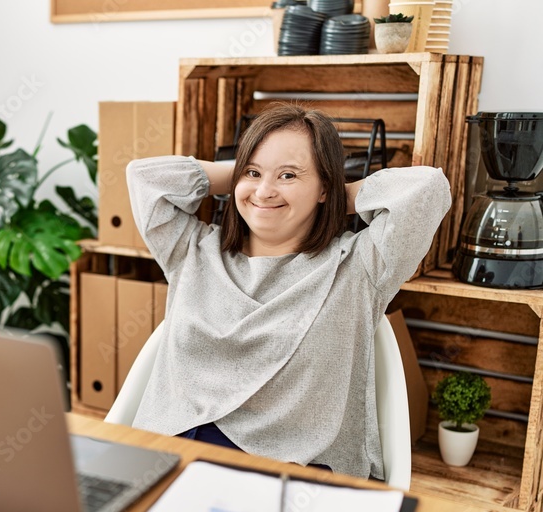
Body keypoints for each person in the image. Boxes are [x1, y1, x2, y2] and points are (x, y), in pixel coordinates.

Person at [126, 102, 451, 479]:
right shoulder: (192, 251)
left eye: (288, 176)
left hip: (289, 476)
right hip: (169, 457)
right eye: (252, 172)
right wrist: (252, 178)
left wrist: (330, 194)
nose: (264, 192)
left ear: (325, 186)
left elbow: (426, 190)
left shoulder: (358, 266)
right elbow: (145, 176)